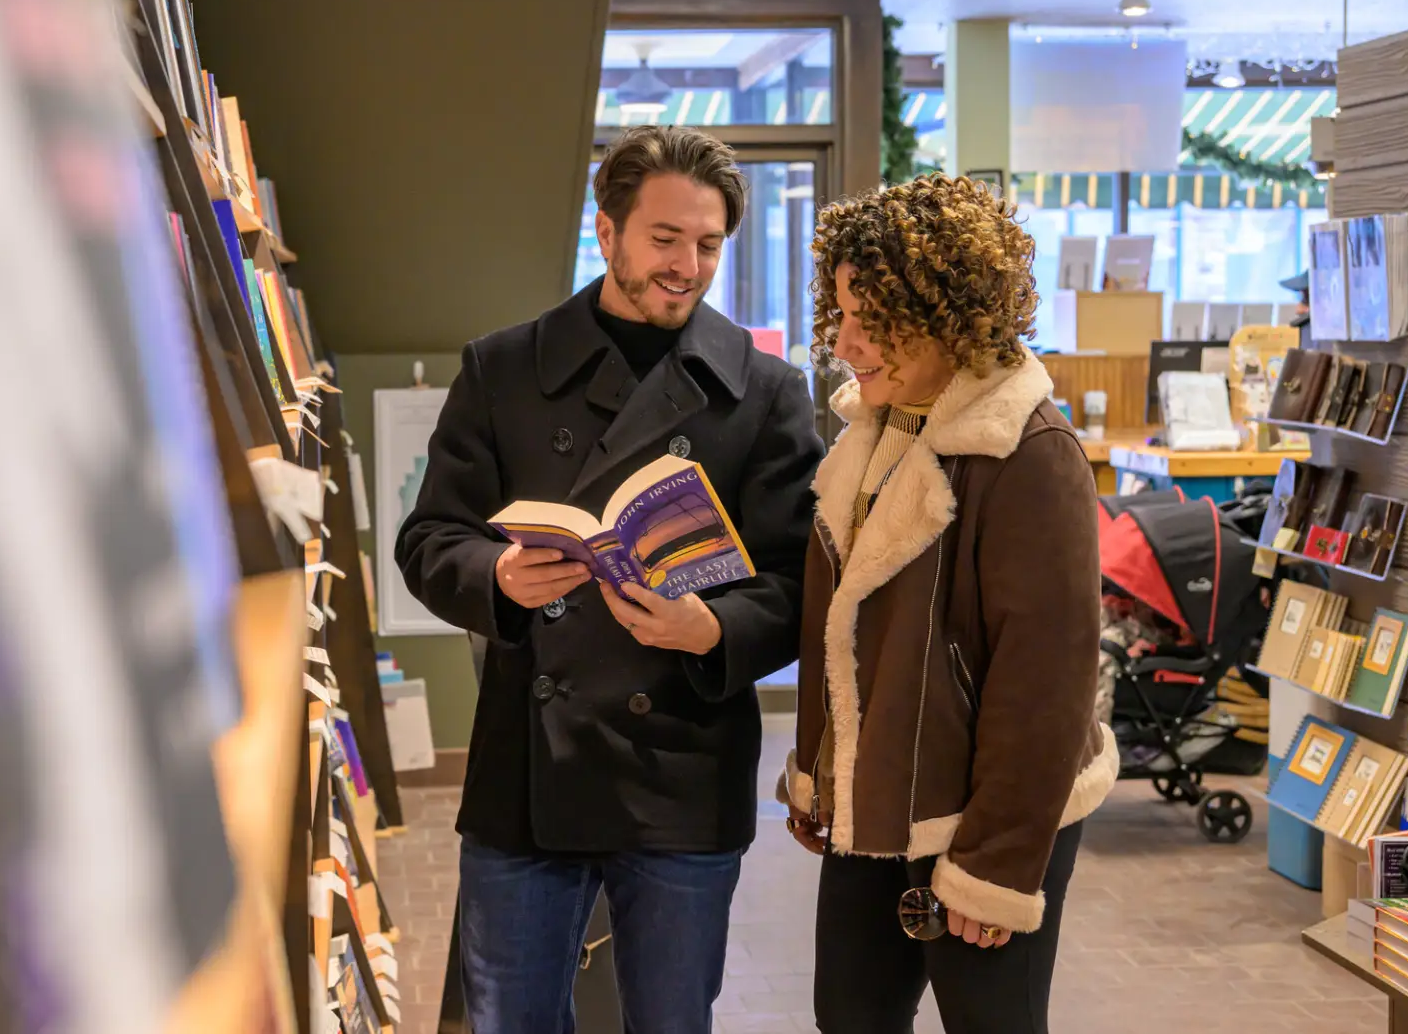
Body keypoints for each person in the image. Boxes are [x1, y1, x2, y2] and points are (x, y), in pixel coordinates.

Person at [395, 125, 824, 1034]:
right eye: (666, 238)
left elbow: (797, 582)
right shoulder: (503, 368)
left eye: (709, 244)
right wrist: (501, 578)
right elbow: (429, 538)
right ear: (608, 231)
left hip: (683, 771)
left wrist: (713, 632)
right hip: (527, 778)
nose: (688, 265)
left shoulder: (767, 391)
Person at [778, 174, 1118, 1034]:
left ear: (949, 312)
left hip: (984, 819)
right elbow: (842, 637)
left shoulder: (1029, 452)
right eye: (842, 313)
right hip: (880, 798)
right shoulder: (882, 428)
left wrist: (995, 866)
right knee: (850, 1014)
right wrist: (815, 771)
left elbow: (1047, 684)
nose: (846, 341)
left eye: (873, 319)